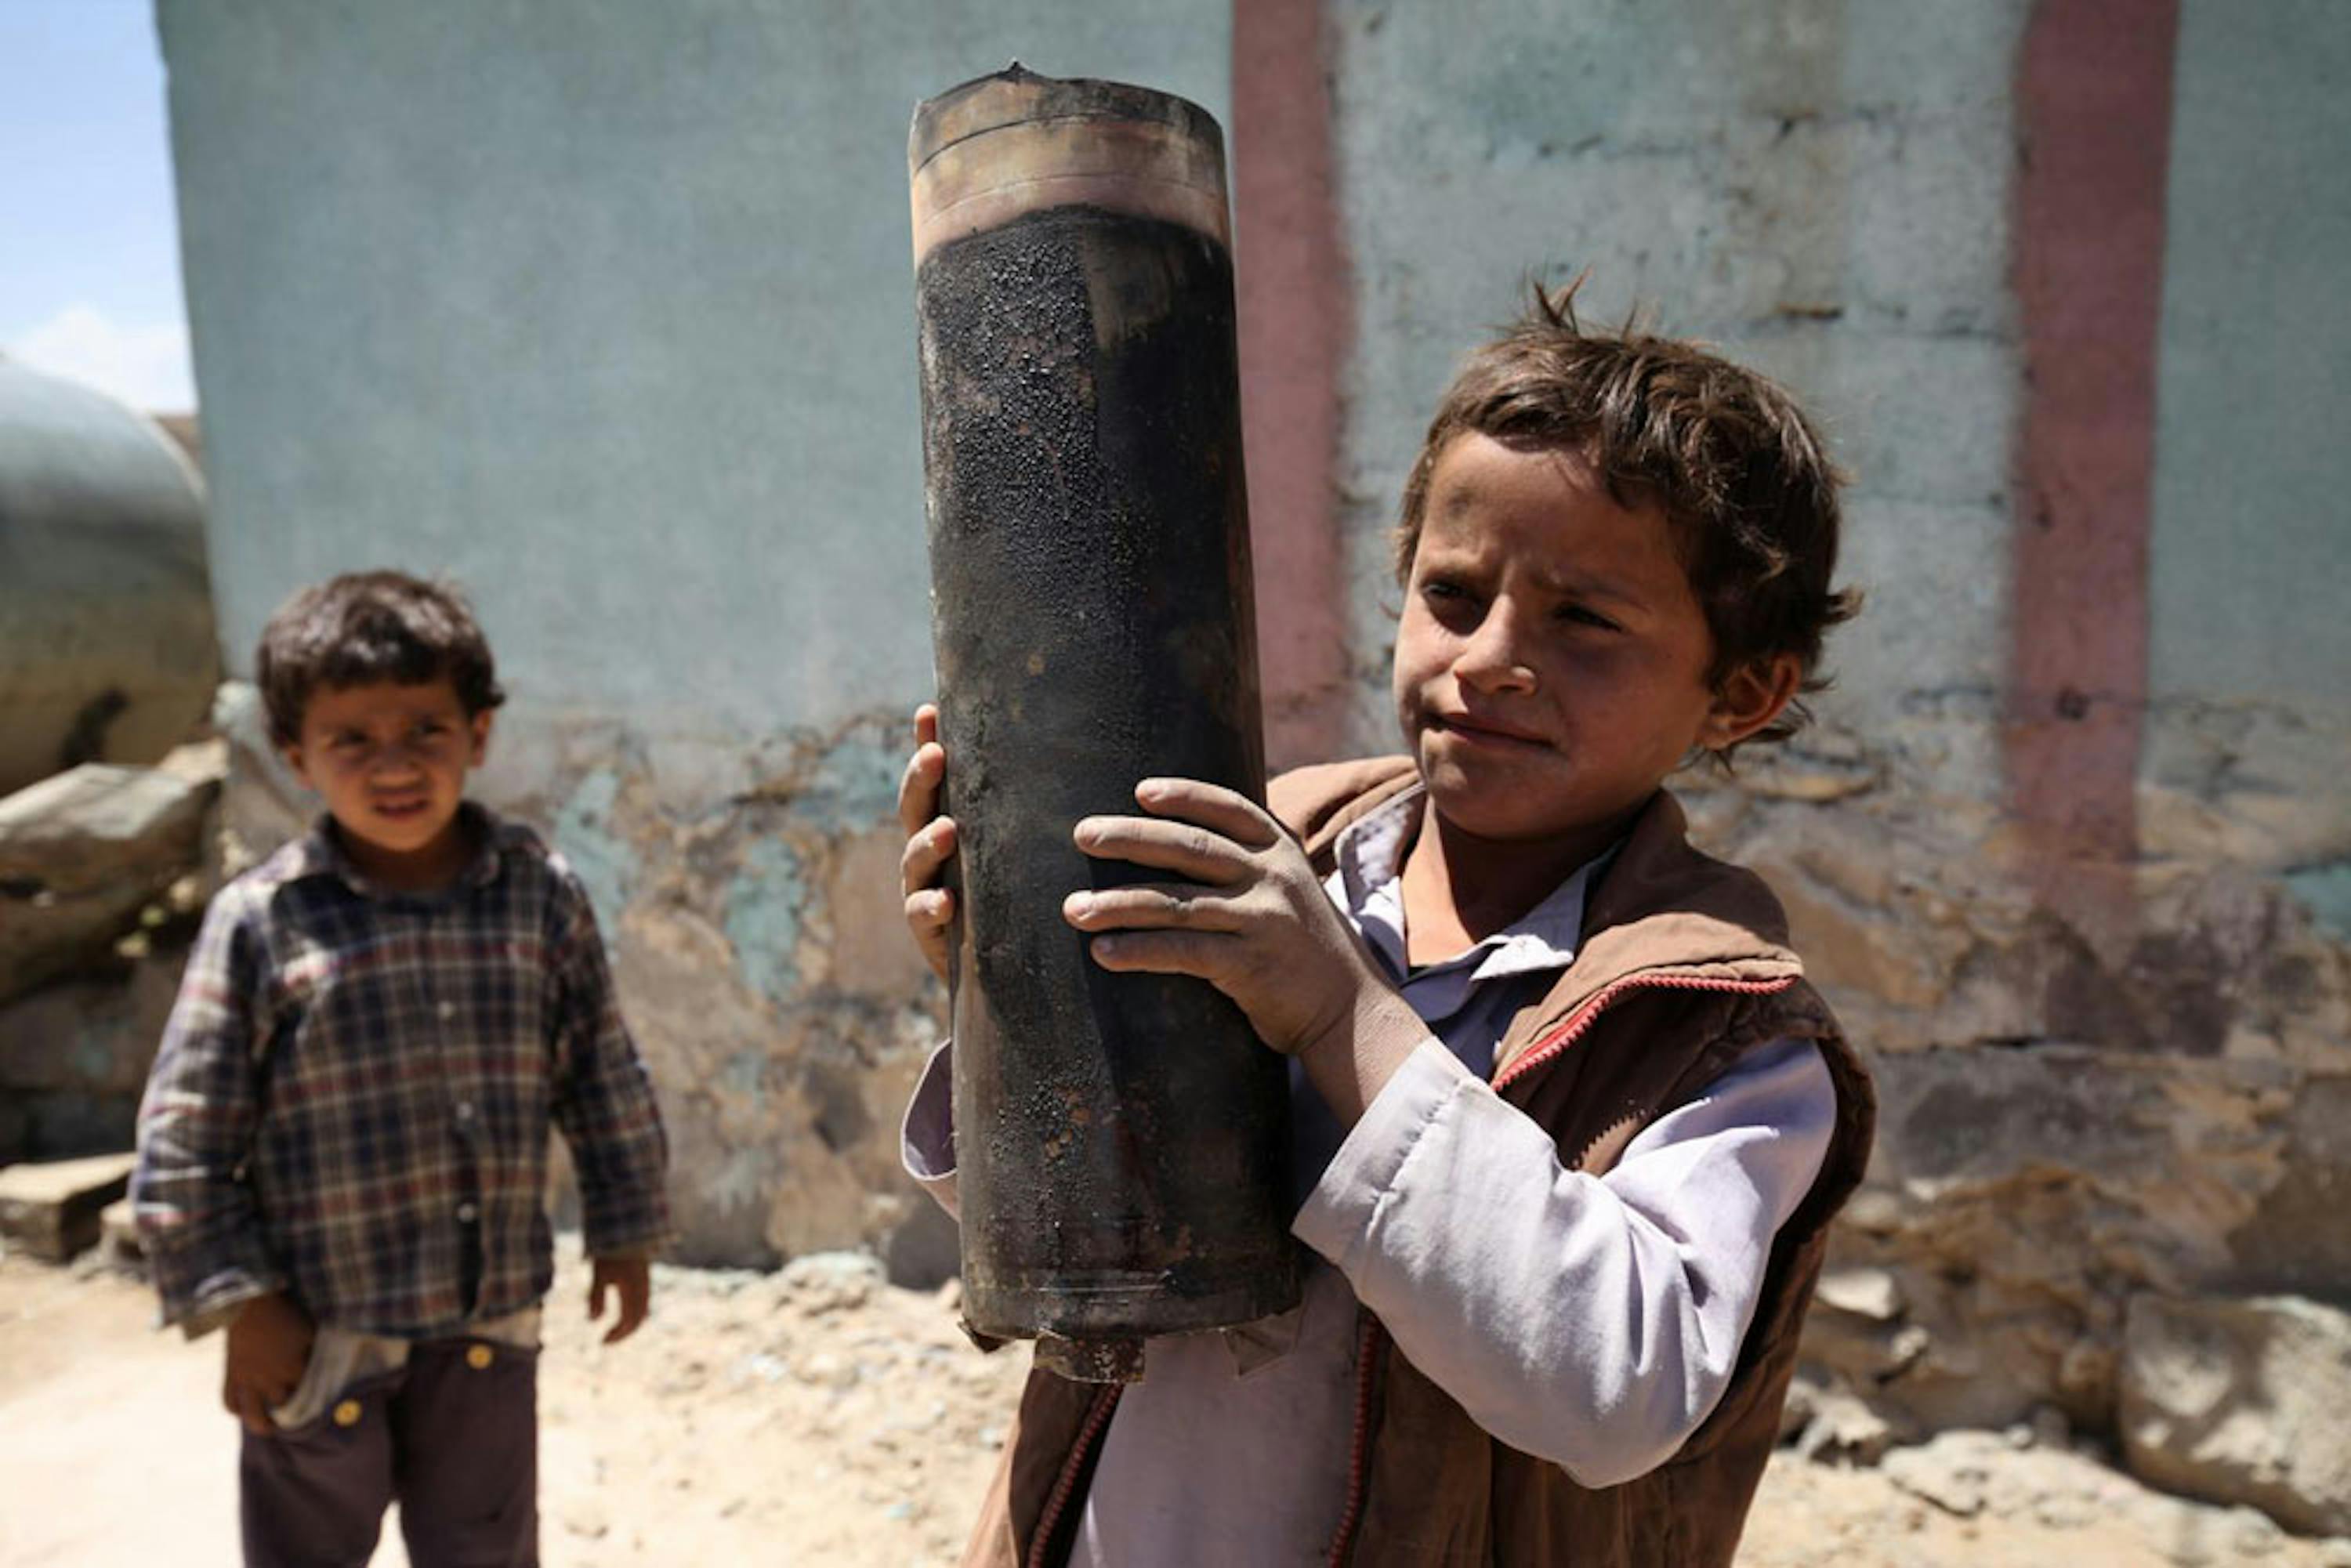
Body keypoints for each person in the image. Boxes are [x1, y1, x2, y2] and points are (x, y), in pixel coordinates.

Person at [894, 282, 1877, 1567]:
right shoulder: (1268, 858)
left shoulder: (1712, 1026)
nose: (1490, 657)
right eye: (1456, 594)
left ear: (1740, 693)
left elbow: (1620, 1394)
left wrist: (1343, 1018)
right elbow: (1066, 1235)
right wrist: (1009, 994)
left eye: (1584, 621)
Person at [132, 570, 671, 1568]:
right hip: (320, 1330)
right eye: (352, 740)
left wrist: (626, 1229)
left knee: (486, 1548)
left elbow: (599, 1070)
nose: (395, 765)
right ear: (296, 757)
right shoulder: (262, 922)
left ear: (479, 735)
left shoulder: (537, 894)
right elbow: (185, 1131)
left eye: (426, 729)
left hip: (488, 1324)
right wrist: (242, 1303)